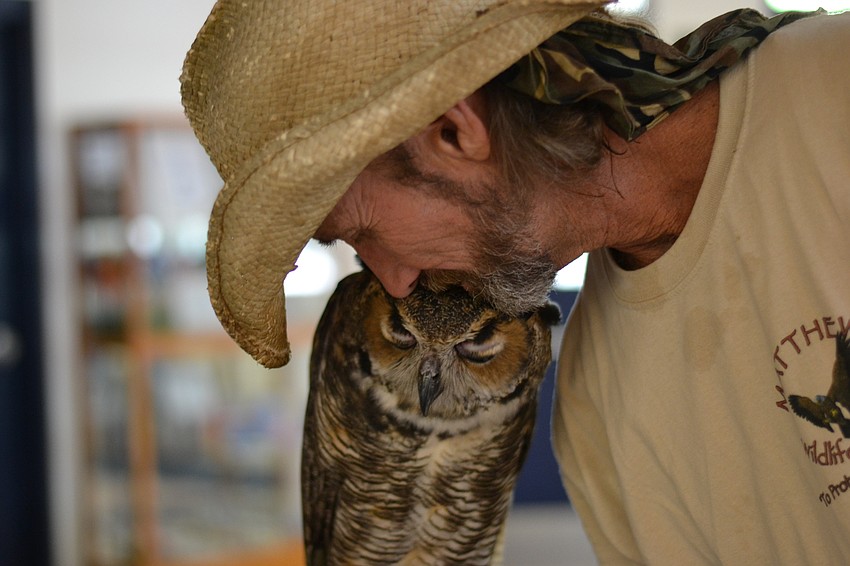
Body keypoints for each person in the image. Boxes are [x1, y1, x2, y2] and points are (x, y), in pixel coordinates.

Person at [181, 1, 850, 563]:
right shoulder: (596, 412)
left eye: (362, 230)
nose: (389, 276)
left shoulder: (830, 91)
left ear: (454, 131)